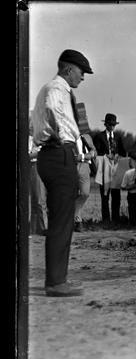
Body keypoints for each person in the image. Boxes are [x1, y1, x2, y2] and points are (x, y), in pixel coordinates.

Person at [31, 48, 93, 296]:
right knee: (61, 221)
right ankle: (56, 283)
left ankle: (57, 279)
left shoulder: (52, 89)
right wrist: (60, 137)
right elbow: (53, 112)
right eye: (81, 72)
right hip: (59, 153)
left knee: (61, 219)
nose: (83, 77)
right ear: (68, 69)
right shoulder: (57, 89)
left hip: (52, 154)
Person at [93, 113, 127, 223]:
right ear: (105, 124)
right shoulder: (99, 137)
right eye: (110, 124)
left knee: (116, 195)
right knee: (105, 194)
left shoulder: (118, 137)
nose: (112, 126)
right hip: (104, 168)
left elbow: (123, 152)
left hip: (115, 168)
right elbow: (95, 152)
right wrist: (105, 155)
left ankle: (116, 219)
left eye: (113, 125)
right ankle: (106, 219)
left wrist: (117, 155)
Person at [74, 114, 97, 232]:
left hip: (84, 167)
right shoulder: (67, 137)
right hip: (71, 167)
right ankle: (78, 221)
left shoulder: (87, 136)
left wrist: (90, 154)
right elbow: (71, 156)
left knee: (85, 193)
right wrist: (85, 156)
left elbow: (94, 151)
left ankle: (73, 214)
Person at [29, 130, 48, 236]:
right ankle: (37, 227)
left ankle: (41, 227)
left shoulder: (42, 138)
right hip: (32, 166)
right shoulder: (28, 139)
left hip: (41, 166)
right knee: (35, 199)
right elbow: (27, 155)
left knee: (40, 199)